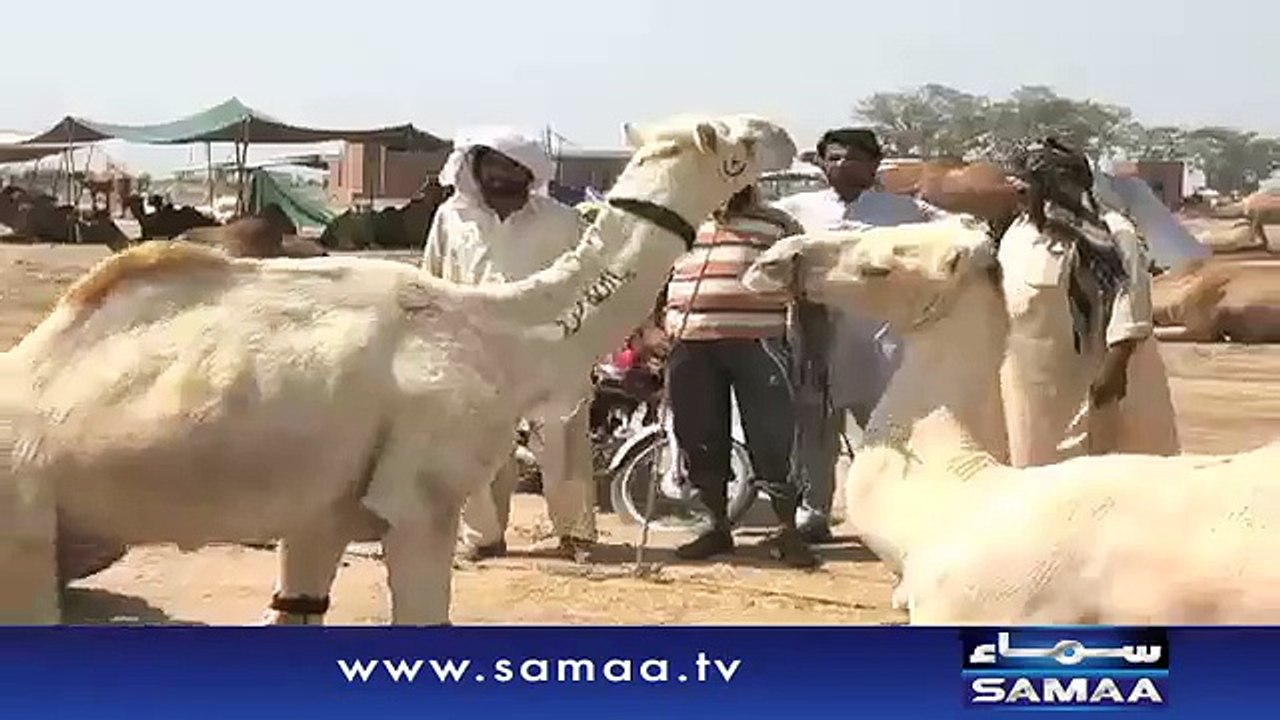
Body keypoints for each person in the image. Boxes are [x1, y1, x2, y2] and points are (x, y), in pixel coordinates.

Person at [422, 126, 597, 562]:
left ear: (528, 171)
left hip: (548, 352)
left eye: (510, 165)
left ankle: (575, 534)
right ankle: (483, 537)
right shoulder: (451, 218)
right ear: (475, 169)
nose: (500, 174)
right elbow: (432, 279)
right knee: (475, 449)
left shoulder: (562, 220)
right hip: (475, 352)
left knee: (563, 445)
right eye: (491, 164)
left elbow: (587, 284)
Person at [772, 127, 949, 543]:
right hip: (816, 339)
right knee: (815, 429)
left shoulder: (905, 212)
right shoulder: (794, 210)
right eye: (831, 158)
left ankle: (896, 514)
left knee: (890, 433)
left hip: (883, 342)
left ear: (872, 164)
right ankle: (814, 512)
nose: (839, 166)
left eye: (850, 158)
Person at [662, 183, 818, 567]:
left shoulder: (778, 224)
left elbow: (805, 283)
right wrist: (651, 331)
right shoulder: (678, 223)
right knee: (698, 436)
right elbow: (653, 280)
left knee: (773, 437)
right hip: (689, 343)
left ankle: (786, 530)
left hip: (760, 344)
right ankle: (715, 526)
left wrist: (810, 344)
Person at [998, 138, 1178, 466]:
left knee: (1097, 475)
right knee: (1034, 465)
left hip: (1090, 379)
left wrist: (1113, 371)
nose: (1019, 195)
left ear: (1057, 188)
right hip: (1032, 379)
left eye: (1028, 187)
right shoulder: (1019, 233)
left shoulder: (1111, 233)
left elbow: (1130, 301)